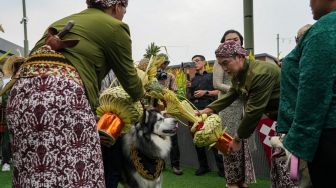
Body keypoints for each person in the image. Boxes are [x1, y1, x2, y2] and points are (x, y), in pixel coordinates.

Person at [6, 0, 144, 187]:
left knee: (32, 171)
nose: (123, 14)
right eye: (124, 10)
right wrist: (142, 95)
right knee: (77, 171)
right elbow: (132, 85)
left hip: (20, 98)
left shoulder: (58, 23)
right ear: (117, 6)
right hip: (63, 96)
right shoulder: (116, 27)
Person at [198, 41, 280, 187]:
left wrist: (237, 138)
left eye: (226, 63)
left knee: (291, 168)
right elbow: (232, 94)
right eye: (220, 64)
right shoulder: (240, 74)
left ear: (240, 57)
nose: (224, 68)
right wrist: (208, 110)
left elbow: (253, 111)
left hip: (292, 119)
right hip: (279, 119)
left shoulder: (260, 73)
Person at [277, 0, 336, 186]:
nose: (309, 2)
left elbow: (314, 92)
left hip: (326, 134)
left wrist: (296, 141)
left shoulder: (324, 31)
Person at [213, 30, 256, 188]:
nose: (232, 41)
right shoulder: (220, 61)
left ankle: (243, 182)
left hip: (244, 108)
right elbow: (217, 84)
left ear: (241, 42)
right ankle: (232, 182)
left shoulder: (246, 60)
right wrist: (237, 89)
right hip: (228, 107)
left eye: (236, 39)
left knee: (244, 147)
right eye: (228, 40)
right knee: (229, 147)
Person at [187, 55, 225, 177]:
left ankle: (222, 169)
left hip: (208, 110)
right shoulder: (192, 79)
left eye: (197, 61)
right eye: (193, 62)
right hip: (194, 112)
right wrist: (188, 88)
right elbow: (188, 97)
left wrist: (206, 92)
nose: (195, 63)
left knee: (213, 138)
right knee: (197, 139)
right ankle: (203, 166)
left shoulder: (211, 76)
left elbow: (220, 91)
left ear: (204, 62)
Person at [156, 53, 183, 176]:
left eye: (166, 62)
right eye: (162, 62)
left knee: (173, 139)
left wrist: (165, 94)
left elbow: (175, 93)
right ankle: (159, 164)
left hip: (169, 111)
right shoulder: (151, 76)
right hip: (155, 112)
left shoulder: (171, 76)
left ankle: (175, 165)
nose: (164, 64)